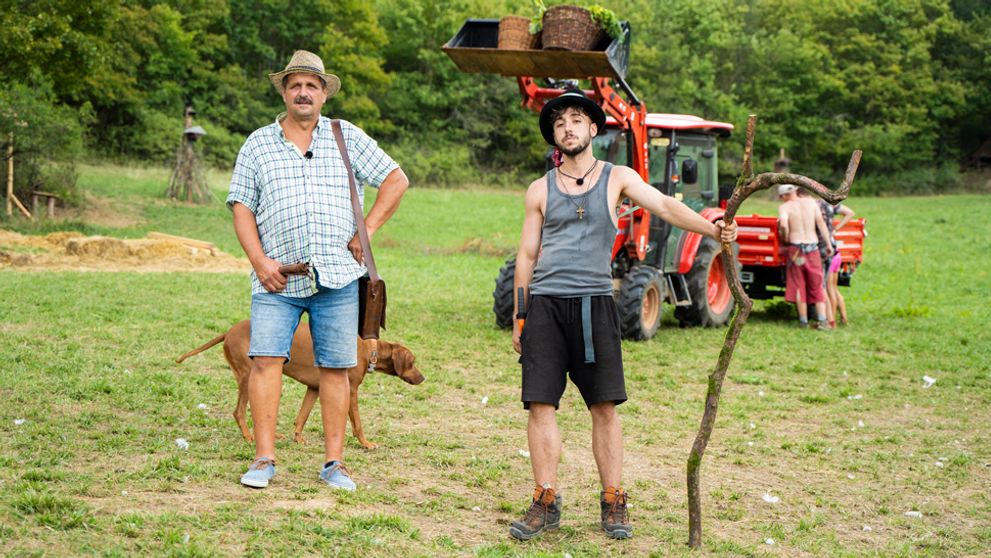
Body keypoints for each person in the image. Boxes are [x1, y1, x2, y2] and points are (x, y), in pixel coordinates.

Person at [509, 90, 738, 541]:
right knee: (540, 405)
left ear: (594, 129)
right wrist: (521, 314)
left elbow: (666, 206)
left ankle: (613, 498)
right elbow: (526, 254)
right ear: (554, 135)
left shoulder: (617, 178)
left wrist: (713, 228)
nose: (569, 127)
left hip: (595, 304)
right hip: (546, 307)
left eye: (577, 120)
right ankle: (545, 498)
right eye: (560, 123)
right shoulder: (539, 189)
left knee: (604, 406)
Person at [226, 50, 409, 491]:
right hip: (278, 276)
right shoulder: (258, 143)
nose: (303, 92)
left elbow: (396, 179)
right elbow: (241, 207)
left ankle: (334, 464)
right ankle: (264, 460)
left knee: (336, 366)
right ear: (285, 93)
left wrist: (366, 229)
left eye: (312, 85)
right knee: (267, 362)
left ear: (324, 93)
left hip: (339, 276)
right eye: (295, 85)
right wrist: (259, 262)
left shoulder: (346, 136)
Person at [777, 184, 831, 328]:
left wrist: (785, 234)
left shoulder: (785, 207)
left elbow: (783, 225)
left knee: (799, 285)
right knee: (817, 285)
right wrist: (829, 244)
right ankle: (822, 320)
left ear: (784, 196)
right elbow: (821, 224)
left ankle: (803, 321)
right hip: (813, 249)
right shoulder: (811, 203)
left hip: (796, 251)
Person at [817, 199, 855, 327]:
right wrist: (835, 229)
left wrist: (834, 229)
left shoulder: (817, 205)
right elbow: (850, 213)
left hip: (829, 253)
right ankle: (844, 318)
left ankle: (831, 320)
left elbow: (850, 213)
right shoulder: (830, 205)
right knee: (833, 288)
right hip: (836, 253)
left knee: (828, 289)